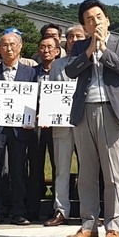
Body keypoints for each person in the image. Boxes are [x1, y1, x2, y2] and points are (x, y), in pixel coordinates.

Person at [64, 0, 119, 237]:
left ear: (107, 19)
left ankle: (114, 226)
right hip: (85, 111)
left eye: (98, 17)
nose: (95, 22)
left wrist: (104, 49)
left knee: (112, 173)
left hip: (111, 112)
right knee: (87, 172)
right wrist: (89, 49)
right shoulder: (79, 46)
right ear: (84, 25)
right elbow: (71, 71)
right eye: (89, 19)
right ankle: (88, 225)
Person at [0, 31, 37, 226]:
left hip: (20, 128)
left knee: (18, 170)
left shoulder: (31, 73)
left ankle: (18, 211)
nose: (9, 48)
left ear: (20, 47)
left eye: (13, 44)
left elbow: (36, 100)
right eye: (4, 45)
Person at [44, 25, 85, 226]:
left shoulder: (92, 60)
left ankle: (90, 211)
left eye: (79, 36)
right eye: (70, 37)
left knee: (89, 168)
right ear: (64, 41)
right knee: (61, 169)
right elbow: (52, 93)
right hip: (61, 124)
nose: (74, 40)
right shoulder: (57, 65)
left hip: (86, 122)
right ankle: (61, 210)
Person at [26, 35, 60, 221]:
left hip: (56, 123)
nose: (45, 50)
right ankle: (32, 208)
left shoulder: (63, 70)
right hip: (35, 123)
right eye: (42, 47)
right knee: (35, 166)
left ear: (57, 51)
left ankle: (57, 208)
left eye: (50, 47)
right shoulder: (31, 72)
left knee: (58, 166)